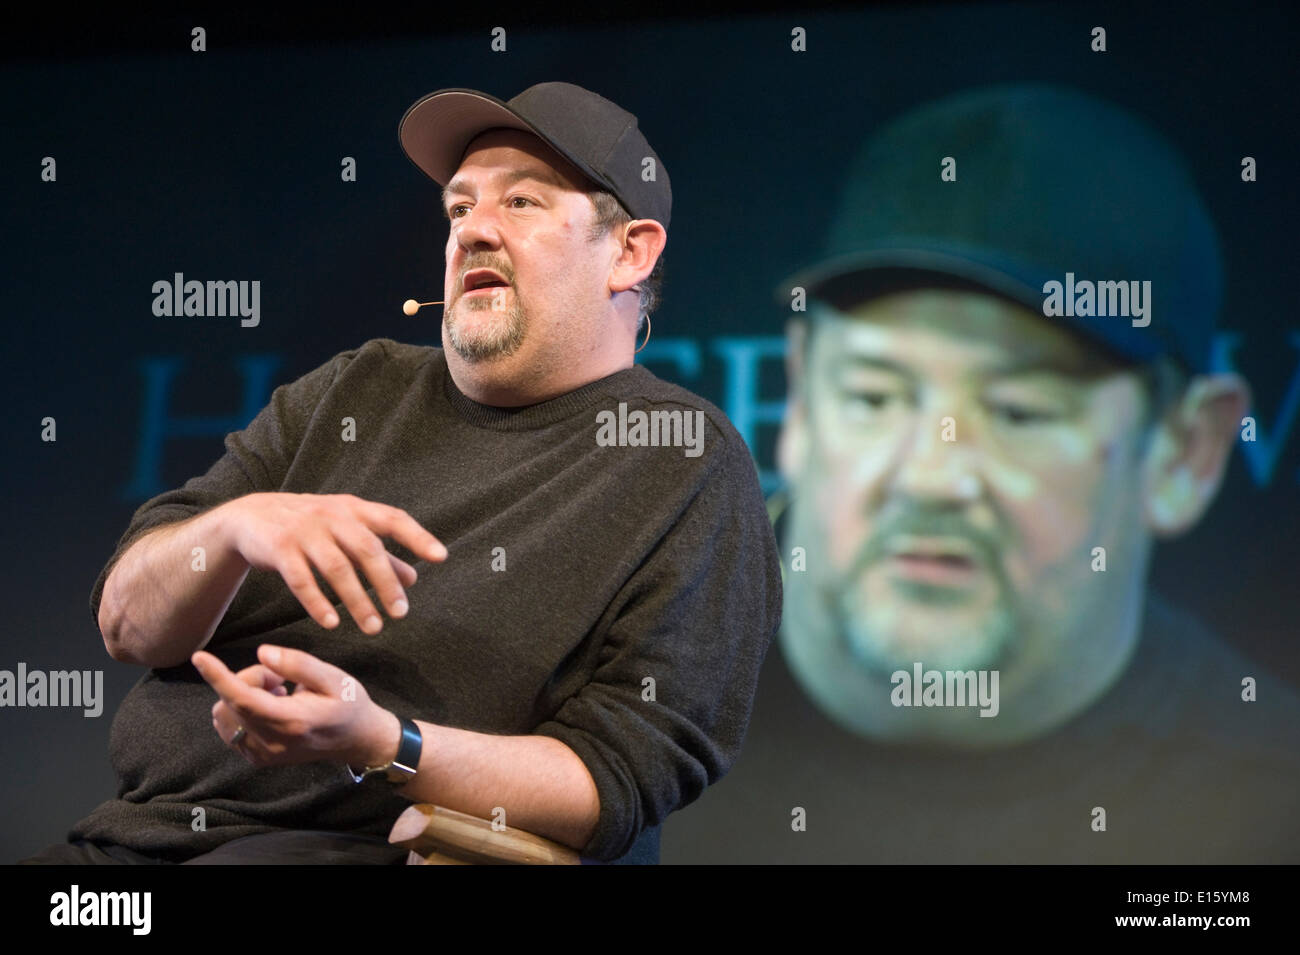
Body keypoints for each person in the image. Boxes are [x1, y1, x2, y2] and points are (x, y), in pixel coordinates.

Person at [21, 81, 782, 865]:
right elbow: (125, 622)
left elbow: (616, 778)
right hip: (127, 849)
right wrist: (231, 529)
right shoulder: (355, 387)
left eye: (521, 203)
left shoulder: (684, 461)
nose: (473, 232)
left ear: (629, 251)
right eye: (458, 209)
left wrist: (384, 740)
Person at [664, 84, 1300, 863]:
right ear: (799, 399)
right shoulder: (600, 716)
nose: (933, 475)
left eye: (1020, 412)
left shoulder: (1270, 810)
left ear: (1184, 451)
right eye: (874, 395)